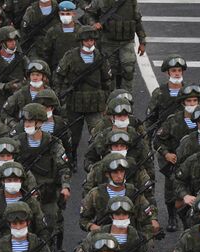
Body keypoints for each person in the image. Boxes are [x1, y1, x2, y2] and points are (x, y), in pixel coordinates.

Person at [15, 103, 72, 252]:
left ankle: (50, 251)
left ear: (39, 123)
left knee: (51, 221)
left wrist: (65, 186)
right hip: (25, 192)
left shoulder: (53, 143)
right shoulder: (17, 143)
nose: (26, 125)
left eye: (30, 122)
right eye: (25, 122)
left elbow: (63, 167)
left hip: (48, 192)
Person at [54, 25, 112, 170]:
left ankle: (96, 161)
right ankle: (71, 159)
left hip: (95, 104)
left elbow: (107, 81)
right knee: (73, 136)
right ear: (81, 41)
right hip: (75, 103)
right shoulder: (70, 56)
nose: (89, 43)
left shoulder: (100, 57)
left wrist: (106, 102)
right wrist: (59, 97)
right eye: (86, 40)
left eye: (92, 40)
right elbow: (59, 77)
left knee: (98, 134)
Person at [154, 84, 200, 232]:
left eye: (195, 101)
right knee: (172, 194)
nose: (192, 104)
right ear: (183, 103)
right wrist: (166, 154)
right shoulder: (173, 120)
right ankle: (172, 217)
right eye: (189, 101)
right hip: (176, 163)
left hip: (197, 164)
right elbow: (157, 140)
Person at [85, 0, 146, 92]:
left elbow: (137, 20)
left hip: (126, 42)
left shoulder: (131, 1)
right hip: (108, 42)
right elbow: (89, 13)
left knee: (128, 70)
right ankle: (110, 98)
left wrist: (142, 41)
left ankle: (127, 97)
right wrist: (93, 23)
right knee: (109, 72)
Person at [37, 1, 82, 87]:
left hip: (77, 73)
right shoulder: (52, 32)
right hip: (57, 73)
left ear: (73, 14)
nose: (65, 16)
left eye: (68, 13)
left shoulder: (81, 31)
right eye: (63, 14)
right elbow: (46, 54)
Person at [145, 54, 187, 134]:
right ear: (167, 73)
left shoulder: (189, 91)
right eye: (173, 71)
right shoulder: (159, 93)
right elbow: (150, 118)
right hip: (164, 135)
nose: (177, 74)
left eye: (179, 70)